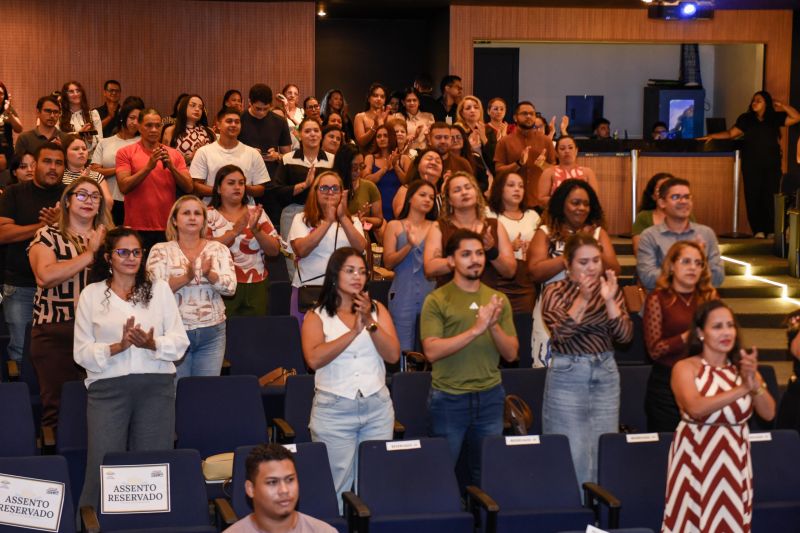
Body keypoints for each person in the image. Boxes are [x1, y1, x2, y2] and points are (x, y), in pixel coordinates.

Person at [74, 227, 190, 511]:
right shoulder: (91, 294)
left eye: (136, 252)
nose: (131, 258)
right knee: (103, 463)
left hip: (156, 388)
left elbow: (179, 342)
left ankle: (150, 525)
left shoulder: (160, 289)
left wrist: (152, 344)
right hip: (107, 391)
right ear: (108, 257)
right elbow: (81, 353)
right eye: (123, 252)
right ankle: (93, 526)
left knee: (153, 464)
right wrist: (117, 347)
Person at [662, 301, 775, 533]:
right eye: (717, 326)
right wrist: (743, 388)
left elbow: (769, 413)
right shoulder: (685, 368)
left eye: (730, 325)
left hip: (734, 461)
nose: (726, 332)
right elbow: (695, 408)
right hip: (695, 459)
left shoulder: (743, 370)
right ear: (700, 333)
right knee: (691, 522)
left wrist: (755, 386)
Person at [301, 247, 399, 505]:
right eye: (350, 270)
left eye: (362, 271)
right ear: (334, 275)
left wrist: (369, 323)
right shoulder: (316, 315)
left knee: (375, 483)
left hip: (376, 406)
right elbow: (313, 359)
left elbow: (392, 356)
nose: (358, 276)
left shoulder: (376, 311)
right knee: (337, 488)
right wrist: (353, 333)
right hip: (334, 410)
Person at [421, 229, 518, 485]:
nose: (475, 259)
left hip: (490, 398)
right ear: (451, 260)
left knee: (486, 475)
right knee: (441, 475)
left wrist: (493, 325)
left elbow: (511, 354)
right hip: (448, 399)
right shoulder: (436, 300)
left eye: (479, 253)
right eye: (466, 254)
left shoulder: (497, 300)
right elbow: (431, 351)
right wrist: (476, 329)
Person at [541, 232, 633, 488]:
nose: (591, 267)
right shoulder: (554, 291)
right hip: (568, 374)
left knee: (603, 451)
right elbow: (560, 335)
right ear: (568, 265)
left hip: (605, 371)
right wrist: (583, 299)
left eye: (595, 260)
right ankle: (576, 520)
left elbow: (625, 336)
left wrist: (610, 301)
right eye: (583, 262)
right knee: (572, 454)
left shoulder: (610, 290)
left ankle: (599, 522)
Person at [28, 177, 111, 428]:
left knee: (103, 405)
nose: (89, 201)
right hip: (57, 329)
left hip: (102, 332)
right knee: (60, 407)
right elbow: (45, 276)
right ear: (67, 201)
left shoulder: (111, 239)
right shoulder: (47, 235)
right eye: (82, 195)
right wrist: (90, 254)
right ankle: (58, 464)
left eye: (95, 196)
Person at [528, 179, 620, 367]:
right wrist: (573, 252)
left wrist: (588, 243)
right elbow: (535, 272)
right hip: (552, 314)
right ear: (562, 204)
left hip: (592, 314)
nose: (581, 208)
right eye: (575, 203)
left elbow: (614, 270)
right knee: (549, 374)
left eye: (586, 204)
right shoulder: (546, 232)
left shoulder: (597, 233)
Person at [146, 196, 236, 379]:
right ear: (174, 220)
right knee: (178, 393)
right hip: (173, 332)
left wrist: (210, 274)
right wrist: (186, 277)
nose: (192, 217)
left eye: (197, 213)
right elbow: (153, 292)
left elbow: (231, 288)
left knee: (205, 393)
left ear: (204, 220)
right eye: (186, 213)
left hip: (213, 333)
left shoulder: (218, 249)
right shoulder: (160, 250)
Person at [699, 91, 800, 238]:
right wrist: (712, 136)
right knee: (753, 196)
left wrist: (782, 105)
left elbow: (796, 117)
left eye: (759, 100)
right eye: (753, 100)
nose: (754, 102)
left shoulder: (773, 118)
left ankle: (771, 230)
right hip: (751, 163)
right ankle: (758, 230)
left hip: (771, 164)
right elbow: (730, 134)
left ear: (766, 103)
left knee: (770, 196)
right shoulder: (746, 118)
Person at [0, 143, 65, 364]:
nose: (53, 167)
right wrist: (42, 227)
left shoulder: (71, 194)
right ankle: (21, 398)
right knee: (20, 349)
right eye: (47, 161)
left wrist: (62, 223)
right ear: (35, 164)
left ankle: (52, 398)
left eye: (59, 163)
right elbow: (3, 234)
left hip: (63, 287)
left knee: (59, 351)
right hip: (21, 286)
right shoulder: (14, 193)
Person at [644, 241, 718, 432]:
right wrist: (688, 335)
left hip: (705, 382)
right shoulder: (658, 299)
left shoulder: (710, 297)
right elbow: (655, 350)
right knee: (669, 449)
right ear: (671, 266)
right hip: (666, 386)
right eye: (686, 261)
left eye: (698, 263)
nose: (693, 267)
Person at [288, 172, 366, 318]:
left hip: (345, 293)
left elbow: (360, 248)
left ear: (342, 193)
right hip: (309, 293)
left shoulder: (353, 222)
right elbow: (301, 250)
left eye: (335, 188)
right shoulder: (301, 219)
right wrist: (328, 221)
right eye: (324, 188)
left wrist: (342, 217)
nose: (330, 192)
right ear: (315, 192)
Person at [115, 108, 193, 252]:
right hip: (135, 227)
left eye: (158, 126)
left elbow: (189, 187)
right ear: (139, 126)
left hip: (168, 227)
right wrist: (148, 167)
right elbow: (123, 186)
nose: (154, 129)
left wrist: (172, 167)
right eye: (149, 125)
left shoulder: (174, 154)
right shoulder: (125, 152)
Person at [207, 165, 280, 317]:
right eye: (231, 183)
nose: (237, 187)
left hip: (257, 284)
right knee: (226, 336)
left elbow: (274, 251)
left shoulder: (256, 212)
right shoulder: (208, 215)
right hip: (221, 284)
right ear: (219, 189)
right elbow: (205, 252)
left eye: (241, 183)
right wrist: (234, 232)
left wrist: (256, 230)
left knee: (254, 335)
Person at [424, 172, 516, 290]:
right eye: (457, 190)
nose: (464, 192)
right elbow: (429, 268)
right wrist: (461, 257)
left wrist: (491, 250)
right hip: (450, 302)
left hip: (486, 301)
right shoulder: (439, 227)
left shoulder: (494, 225)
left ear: (477, 194)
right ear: (449, 200)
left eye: (468, 187)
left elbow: (510, 271)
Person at [224, 443, 337, 533]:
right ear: (250, 489)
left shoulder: (324, 531)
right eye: (272, 482)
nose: (284, 490)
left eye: (290, 480)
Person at [637, 177, 724, 291]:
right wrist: (690, 275)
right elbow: (647, 277)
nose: (683, 201)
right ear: (662, 202)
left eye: (687, 197)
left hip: (699, 303)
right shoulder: (649, 236)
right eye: (676, 197)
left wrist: (700, 257)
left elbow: (718, 277)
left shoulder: (706, 234)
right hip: (662, 303)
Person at [383, 179, 437, 352]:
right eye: (422, 195)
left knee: (430, 348)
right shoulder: (394, 225)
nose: (427, 199)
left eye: (431, 197)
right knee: (403, 350)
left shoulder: (437, 227)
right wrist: (409, 246)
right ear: (410, 198)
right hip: (402, 292)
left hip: (431, 292)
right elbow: (388, 262)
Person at [274, 117, 336, 256]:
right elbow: (278, 191)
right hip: (292, 212)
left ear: (321, 135)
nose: (312, 134)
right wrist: (305, 185)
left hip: (324, 214)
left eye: (316, 130)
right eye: (307, 131)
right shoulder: (288, 158)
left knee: (323, 255)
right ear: (299, 135)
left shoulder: (332, 160)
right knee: (292, 259)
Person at [190, 107, 271, 205]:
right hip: (212, 211)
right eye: (229, 121)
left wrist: (241, 188)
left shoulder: (253, 153)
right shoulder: (204, 152)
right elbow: (196, 186)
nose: (233, 125)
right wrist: (222, 191)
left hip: (245, 211)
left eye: (237, 122)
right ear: (218, 125)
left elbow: (261, 189)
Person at [486, 171, 540, 313]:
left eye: (521, 186)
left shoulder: (532, 215)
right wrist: (509, 247)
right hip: (497, 279)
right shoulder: (488, 214)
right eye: (511, 185)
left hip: (526, 281)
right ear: (500, 189)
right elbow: (483, 248)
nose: (517, 189)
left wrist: (532, 249)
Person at [90, 99, 144, 225]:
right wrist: (120, 169)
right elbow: (94, 171)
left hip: (136, 199)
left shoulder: (143, 143)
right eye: (132, 118)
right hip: (109, 199)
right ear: (123, 117)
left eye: (139, 119)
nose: (135, 123)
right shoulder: (105, 142)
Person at [494, 102, 557, 208]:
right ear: (515, 117)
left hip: (540, 203)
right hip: (512, 203)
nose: (529, 116)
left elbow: (555, 172)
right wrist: (518, 164)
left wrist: (543, 165)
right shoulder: (504, 142)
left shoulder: (546, 141)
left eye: (532, 114)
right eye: (524, 113)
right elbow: (499, 171)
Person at [238, 84, 293, 179]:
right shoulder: (239, 120)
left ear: (271, 105)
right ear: (249, 102)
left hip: (271, 176)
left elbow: (288, 156)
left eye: (266, 109)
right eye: (258, 109)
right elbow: (228, 150)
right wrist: (248, 153)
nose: (262, 112)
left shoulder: (280, 121)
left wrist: (277, 156)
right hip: (244, 175)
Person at [537, 136, 599, 208]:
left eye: (570, 148)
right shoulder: (549, 172)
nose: (567, 151)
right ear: (556, 153)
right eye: (562, 148)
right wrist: (565, 202)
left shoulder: (588, 172)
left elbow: (594, 199)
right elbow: (541, 199)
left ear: (576, 151)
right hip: (556, 215)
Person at [363, 124, 405, 223]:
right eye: (378, 136)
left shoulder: (404, 159)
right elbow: (365, 181)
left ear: (392, 137)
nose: (382, 139)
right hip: (376, 210)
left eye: (385, 136)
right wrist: (385, 168)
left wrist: (395, 166)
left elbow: (408, 182)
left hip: (398, 209)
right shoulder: (370, 158)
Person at [337, 144, 382, 231]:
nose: (358, 171)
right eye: (354, 167)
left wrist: (365, 220)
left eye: (361, 166)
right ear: (344, 165)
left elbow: (379, 220)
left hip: (360, 235)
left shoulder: (369, 187)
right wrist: (353, 218)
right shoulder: (333, 186)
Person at [162, 94, 216, 165]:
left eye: (200, 107)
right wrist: (191, 156)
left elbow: (216, 158)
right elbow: (165, 161)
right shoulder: (170, 131)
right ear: (183, 108)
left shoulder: (209, 132)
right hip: (179, 174)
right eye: (193, 105)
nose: (197, 109)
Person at [61, 135, 114, 208]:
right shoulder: (60, 176)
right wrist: (80, 183)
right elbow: (61, 203)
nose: (81, 152)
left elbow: (108, 203)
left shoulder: (97, 176)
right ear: (65, 154)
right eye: (76, 149)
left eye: (84, 149)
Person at [391, 148, 444, 219]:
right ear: (418, 165)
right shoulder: (406, 190)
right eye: (429, 159)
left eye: (438, 161)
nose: (433, 162)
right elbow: (401, 216)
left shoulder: (445, 192)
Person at [631, 172, 675, 256]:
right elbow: (639, 252)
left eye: (670, 189)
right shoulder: (643, 217)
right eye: (660, 189)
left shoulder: (685, 216)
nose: (665, 193)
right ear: (653, 196)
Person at [455, 95, 496, 179]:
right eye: (468, 108)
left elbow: (494, 156)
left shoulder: (489, 130)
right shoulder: (457, 131)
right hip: (466, 172)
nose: (472, 110)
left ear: (480, 111)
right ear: (461, 113)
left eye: (476, 107)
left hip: (488, 171)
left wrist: (483, 137)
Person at [59, 81, 103, 156]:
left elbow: (101, 141)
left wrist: (90, 139)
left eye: (78, 91)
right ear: (65, 95)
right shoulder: (59, 116)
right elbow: (59, 139)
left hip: (90, 158)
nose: (75, 94)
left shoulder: (93, 114)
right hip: (67, 157)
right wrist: (79, 134)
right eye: (71, 92)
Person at [353, 83, 391, 150]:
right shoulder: (360, 117)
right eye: (375, 95)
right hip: (366, 156)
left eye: (382, 97)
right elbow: (361, 142)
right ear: (369, 99)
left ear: (385, 101)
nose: (379, 99)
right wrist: (375, 126)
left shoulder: (390, 118)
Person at [0, 82, 23, 173]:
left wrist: (9, 113)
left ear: (4, 96)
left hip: (6, 152)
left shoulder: (8, 110)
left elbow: (19, 129)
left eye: (1, 93)